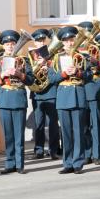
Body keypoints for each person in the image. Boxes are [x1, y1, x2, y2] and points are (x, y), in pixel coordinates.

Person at [0, 30, 35, 174]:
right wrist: (2, 75)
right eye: (7, 44)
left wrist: (20, 74)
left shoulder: (24, 60)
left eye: (13, 44)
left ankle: (20, 164)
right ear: (3, 46)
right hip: (4, 99)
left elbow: (30, 80)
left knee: (18, 135)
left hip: (18, 98)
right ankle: (9, 163)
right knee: (8, 135)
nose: (10, 46)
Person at [51, 26, 90, 174]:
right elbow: (51, 78)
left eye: (72, 40)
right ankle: (67, 163)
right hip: (63, 97)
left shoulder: (83, 56)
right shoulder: (57, 58)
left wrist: (78, 72)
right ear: (62, 42)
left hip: (78, 96)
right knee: (65, 132)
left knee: (79, 131)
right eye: (66, 41)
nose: (70, 43)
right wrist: (63, 74)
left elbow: (90, 76)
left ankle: (78, 163)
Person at [78, 21, 100, 165]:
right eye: (85, 34)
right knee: (83, 125)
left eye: (90, 33)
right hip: (80, 89)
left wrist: (97, 62)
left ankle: (97, 154)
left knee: (95, 123)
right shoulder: (76, 50)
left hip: (94, 89)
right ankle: (87, 153)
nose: (88, 37)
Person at [30, 29, 60, 160]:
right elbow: (27, 73)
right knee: (39, 123)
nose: (40, 43)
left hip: (51, 92)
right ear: (35, 42)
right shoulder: (30, 56)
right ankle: (39, 150)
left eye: (42, 40)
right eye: (38, 41)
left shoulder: (52, 55)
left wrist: (47, 66)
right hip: (37, 93)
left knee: (53, 123)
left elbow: (57, 70)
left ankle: (53, 150)